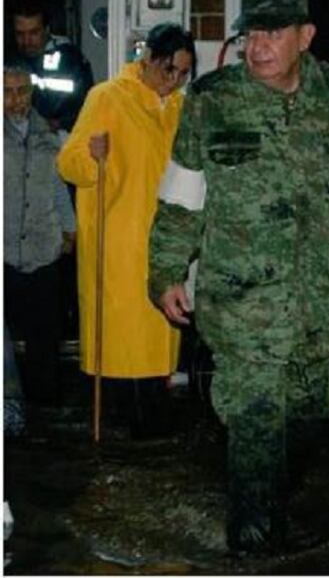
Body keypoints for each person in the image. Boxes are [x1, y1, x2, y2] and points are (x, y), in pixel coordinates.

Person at [148, 0, 329, 555]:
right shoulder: (211, 101)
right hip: (244, 304)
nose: (258, 45)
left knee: (309, 411)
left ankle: (273, 508)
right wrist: (165, 272)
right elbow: (182, 197)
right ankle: (254, 550)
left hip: (320, 302)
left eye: (273, 32)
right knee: (255, 427)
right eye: (251, 32)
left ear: (305, 36)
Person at [56, 23, 195, 438]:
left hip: (161, 241)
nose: (174, 81)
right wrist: (91, 156)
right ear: (147, 59)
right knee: (120, 340)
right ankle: (121, 426)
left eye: (184, 73)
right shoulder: (107, 97)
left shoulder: (180, 109)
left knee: (157, 334)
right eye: (168, 69)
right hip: (116, 240)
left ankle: (151, 421)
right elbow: (67, 162)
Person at [4, 60, 75, 407]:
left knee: (44, 337)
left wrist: (69, 228)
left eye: (22, 91)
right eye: (7, 92)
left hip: (42, 246)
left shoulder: (50, 135)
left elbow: (60, 187)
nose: (16, 100)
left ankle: (44, 410)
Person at [9, 0, 95, 133]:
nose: (27, 41)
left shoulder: (69, 59)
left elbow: (88, 106)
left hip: (60, 138)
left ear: (47, 29)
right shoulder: (10, 61)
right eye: (20, 34)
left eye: (33, 33)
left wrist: (59, 123)